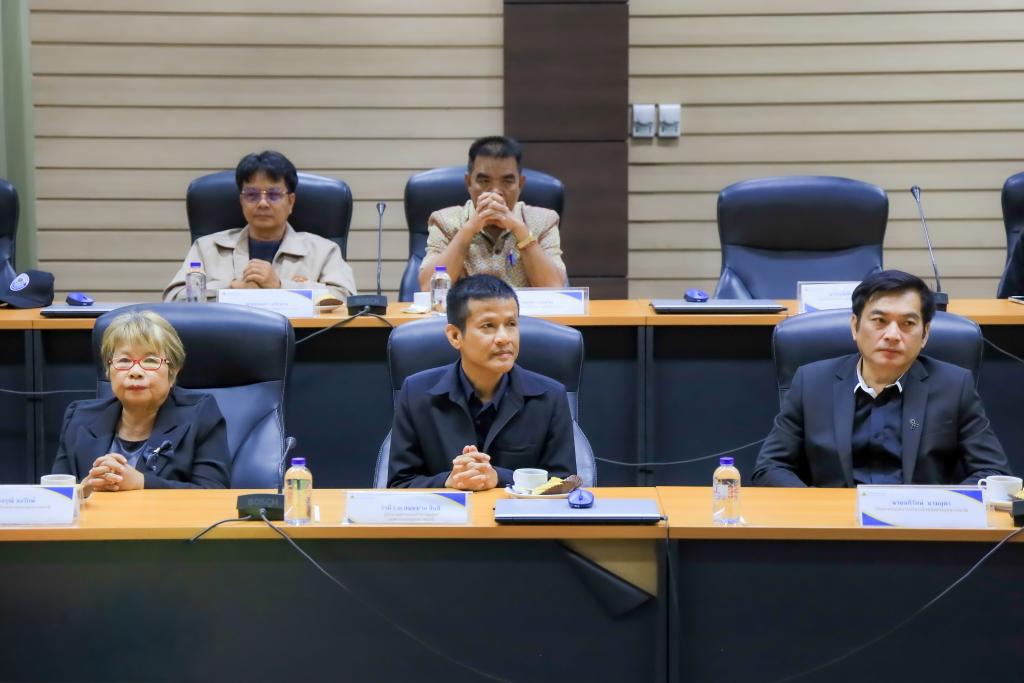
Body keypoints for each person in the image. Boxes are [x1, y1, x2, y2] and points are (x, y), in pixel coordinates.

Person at [752, 270, 1011, 487]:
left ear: (925, 334)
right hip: (835, 525)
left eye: (908, 324)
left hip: (919, 524)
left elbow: (993, 472)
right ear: (854, 326)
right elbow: (770, 467)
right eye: (879, 321)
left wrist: (941, 506)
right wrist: (821, 509)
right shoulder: (811, 382)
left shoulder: (954, 386)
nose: (892, 335)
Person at [388, 274, 576, 489]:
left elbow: (565, 483)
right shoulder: (416, 392)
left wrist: (499, 478)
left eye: (511, 324)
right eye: (488, 326)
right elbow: (399, 484)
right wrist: (449, 481)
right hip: (449, 511)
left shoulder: (550, 396)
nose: (504, 337)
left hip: (515, 511)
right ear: (455, 336)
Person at [52, 310, 231, 494]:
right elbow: (55, 496)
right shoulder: (79, 418)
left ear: (173, 370)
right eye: (124, 360)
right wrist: (84, 489)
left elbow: (214, 493)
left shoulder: (200, 415)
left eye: (150, 361)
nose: (135, 371)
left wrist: (142, 483)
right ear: (108, 370)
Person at [163, 150, 357, 302]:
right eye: (252, 195)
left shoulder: (323, 251)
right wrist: (230, 288)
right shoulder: (207, 248)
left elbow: (346, 300)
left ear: (291, 202)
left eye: (273, 195)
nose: (263, 203)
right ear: (241, 201)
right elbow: (173, 299)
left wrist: (280, 286)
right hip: (221, 340)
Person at [418, 136, 567, 290]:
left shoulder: (544, 221)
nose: (495, 192)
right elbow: (428, 288)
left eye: (507, 181)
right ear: (468, 182)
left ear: (520, 184)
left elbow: (555, 288)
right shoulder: (444, 221)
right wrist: (469, 229)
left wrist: (520, 230)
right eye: (484, 181)